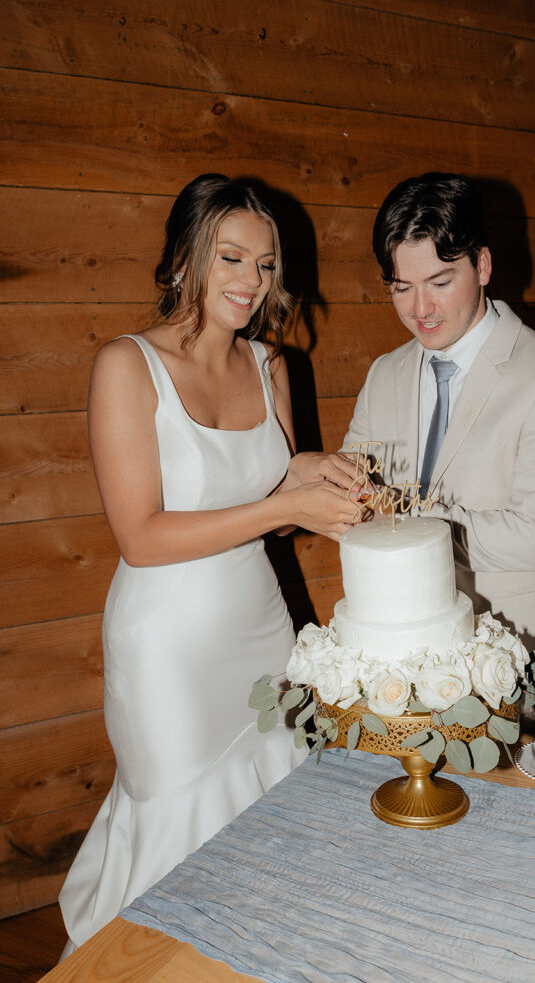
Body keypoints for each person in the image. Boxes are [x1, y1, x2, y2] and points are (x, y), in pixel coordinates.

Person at [59, 173, 360, 951]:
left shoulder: (270, 367)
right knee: (176, 832)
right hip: (167, 646)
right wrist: (282, 507)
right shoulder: (125, 365)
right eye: (231, 258)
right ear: (185, 257)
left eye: (264, 266)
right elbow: (142, 536)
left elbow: (275, 477)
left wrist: (317, 472)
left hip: (260, 628)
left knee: (273, 822)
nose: (251, 282)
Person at [343, 173, 535, 736]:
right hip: (397, 662)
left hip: (515, 665)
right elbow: (354, 498)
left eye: (439, 280)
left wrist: (407, 523)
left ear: (482, 266)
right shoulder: (384, 374)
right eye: (401, 286)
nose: (420, 308)